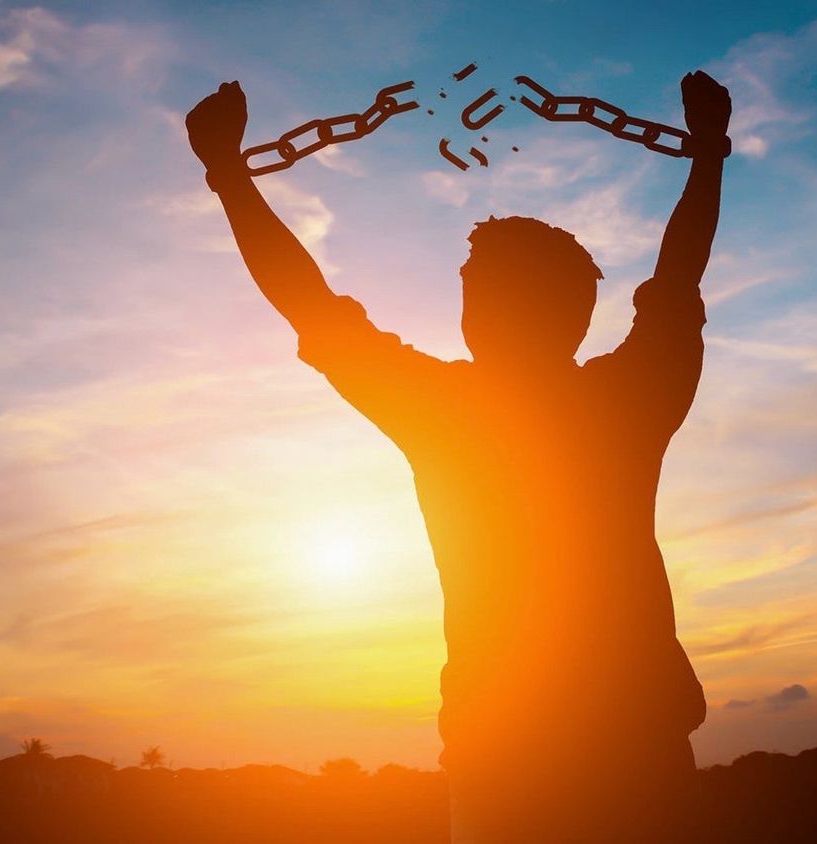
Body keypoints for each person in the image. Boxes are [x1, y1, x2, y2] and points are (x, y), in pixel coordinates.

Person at [186, 69, 731, 843]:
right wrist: (708, 153)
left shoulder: (445, 412)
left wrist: (229, 175)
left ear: (489, 310)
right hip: (629, 758)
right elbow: (677, 278)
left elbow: (307, 300)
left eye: (478, 288)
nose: (469, 303)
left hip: (511, 763)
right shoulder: (632, 398)